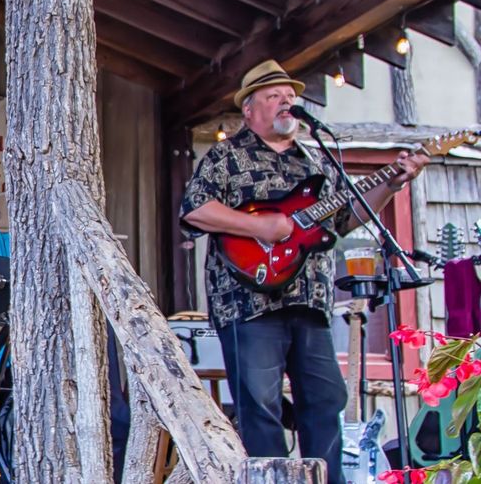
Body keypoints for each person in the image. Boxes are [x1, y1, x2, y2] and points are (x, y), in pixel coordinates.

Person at [179, 59, 429, 484]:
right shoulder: (228, 155)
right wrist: (261, 226)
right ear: (250, 110)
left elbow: (342, 222)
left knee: (325, 398)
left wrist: (392, 184)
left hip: (310, 300)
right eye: (274, 97)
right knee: (260, 405)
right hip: (249, 301)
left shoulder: (315, 161)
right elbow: (196, 210)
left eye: (291, 98)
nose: (286, 104)